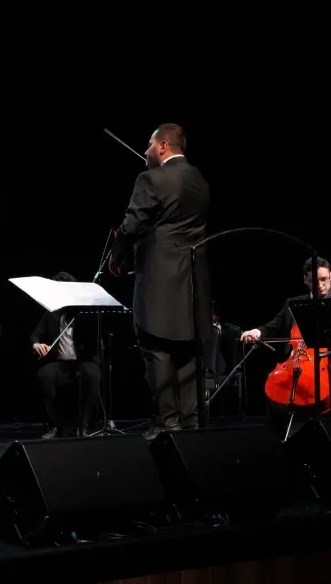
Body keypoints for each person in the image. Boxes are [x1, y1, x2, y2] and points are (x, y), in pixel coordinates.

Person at [109, 123, 211, 440]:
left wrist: (116, 256)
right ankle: (191, 423)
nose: (146, 151)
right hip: (193, 278)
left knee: (156, 347)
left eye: (149, 145)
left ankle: (168, 423)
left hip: (158, 278)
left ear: (163, 146)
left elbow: (131, 225)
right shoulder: (200, 180)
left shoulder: (150, 179)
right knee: (188, 350)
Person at [240, 257, 331, 415]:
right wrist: (255, 332)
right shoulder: (292, 304)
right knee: (273, 382)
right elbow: (272, 326)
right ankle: (281, 426)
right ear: (305, 280)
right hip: (297, 361)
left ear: (330, 276)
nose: (320, 285)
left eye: (323, 279)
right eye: (314, 281)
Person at [29, 272, 101, 438]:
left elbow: (94, 340)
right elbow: (35, 335)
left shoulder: (85, 313)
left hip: (83, 361)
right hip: (61, 363)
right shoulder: (52, 313)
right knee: (44, 375)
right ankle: (56, 425)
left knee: (93, 374)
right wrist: (36, 344)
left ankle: (83, 426)